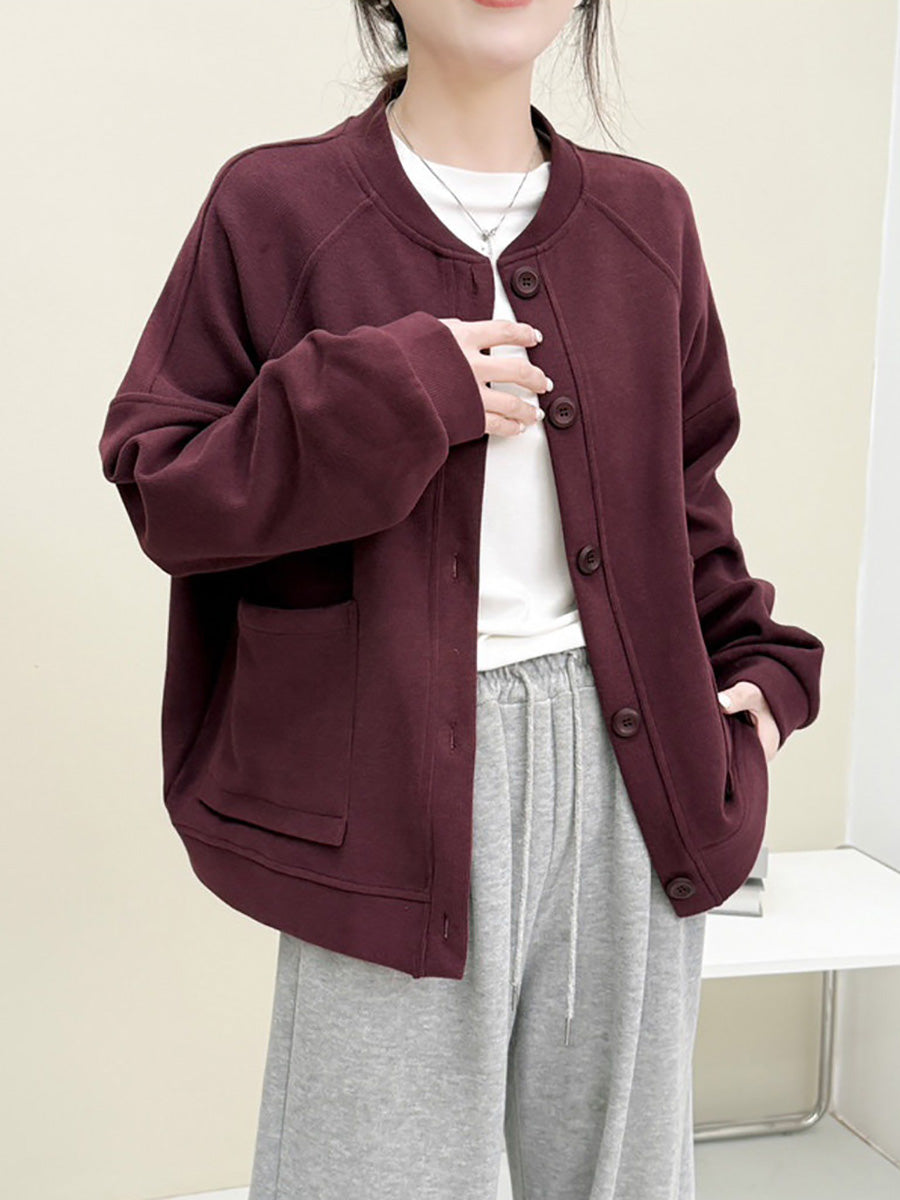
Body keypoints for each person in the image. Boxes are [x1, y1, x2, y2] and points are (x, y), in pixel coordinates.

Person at [97, 1, 825, 1197]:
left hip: (632, 777)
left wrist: (759, 676)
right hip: (389, 775)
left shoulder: (648, 219)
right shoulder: (276, 208)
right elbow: (165, 489)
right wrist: (395, 389)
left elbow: (685, 493)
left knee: (621, 1183)